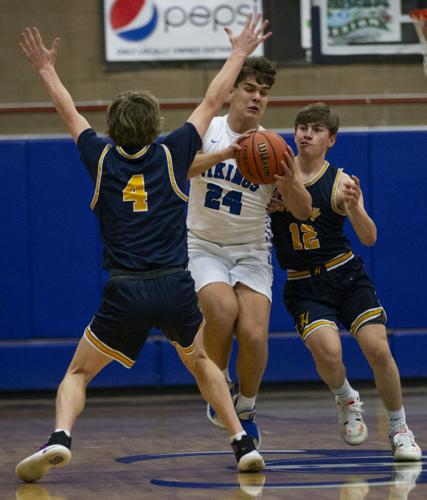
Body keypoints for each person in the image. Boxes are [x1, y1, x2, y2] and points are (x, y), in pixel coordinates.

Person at [15, 17, 272, 483]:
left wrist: (47, 69)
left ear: (112, 128)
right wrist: (237, 54)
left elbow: (69, 112)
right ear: (155, 126)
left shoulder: (100, 157)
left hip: (125, 291)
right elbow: (213, 99)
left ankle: (60, 438)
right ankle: (242, 442)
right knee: (203, 364)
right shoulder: (173, 153)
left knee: (77, 374)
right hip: (175, 285)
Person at [271, 102, 422, 461]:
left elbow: (369, 238)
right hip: (304, 285)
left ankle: (400, 428)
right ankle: (346, 398)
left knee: (377, 347)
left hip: (345, 275)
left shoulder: (341, 182)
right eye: (302, 127)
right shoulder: (274, 175)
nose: (306, 133)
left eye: (316, 129)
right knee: (329, 351)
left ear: (331, 140)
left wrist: (355, 209)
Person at [186, 56, 312, 448]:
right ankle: (220, 385)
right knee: (222, 311)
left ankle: (247, 408)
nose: (257, 98)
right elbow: (178, 167)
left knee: (255, 334)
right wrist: (226, 155)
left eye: (264, 93)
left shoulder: (274, 146)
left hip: (251, 249)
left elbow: (305, 211)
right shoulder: (210, 129)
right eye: (250, 89)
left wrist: (290, 183)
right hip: (205, 245)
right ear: (232, 93)